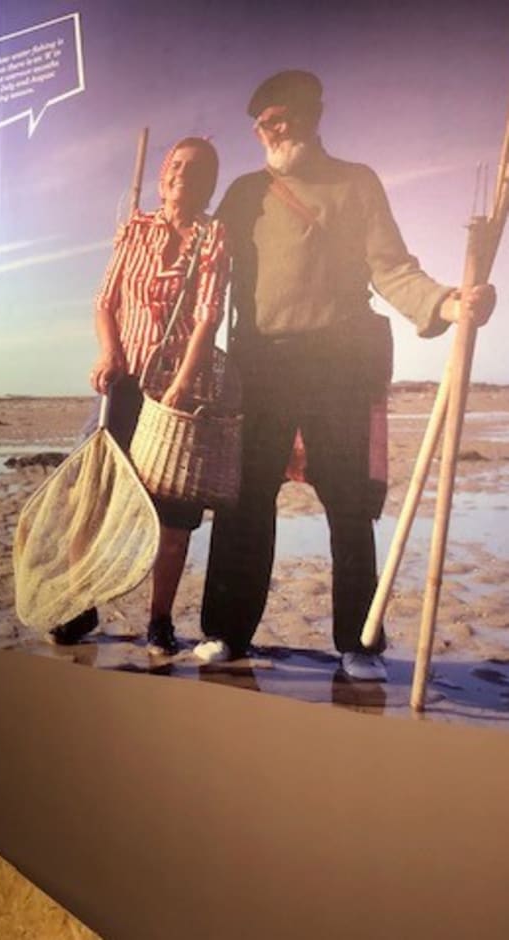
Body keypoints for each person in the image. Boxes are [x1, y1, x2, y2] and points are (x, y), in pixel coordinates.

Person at [193, 70, 496, 681]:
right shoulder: (246, 192)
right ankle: (228, 632)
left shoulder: (356, 184)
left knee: (350, 505)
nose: (267, 131)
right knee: (245, 502)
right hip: (262, 363)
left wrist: (446, 303)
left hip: (339, 362)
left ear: (311, 116)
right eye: (260, 124)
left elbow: (393, 268)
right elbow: (205, 269)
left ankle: (358, 641)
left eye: (278, 119)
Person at [49, 137, 228, 655]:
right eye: (175, 165)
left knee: (174, 514)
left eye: (196, 169)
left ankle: (160, 622)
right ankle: (80, 601)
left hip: (178, 391)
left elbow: (206, 318)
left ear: (210, 182)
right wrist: (109, 354)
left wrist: (179, 384)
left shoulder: (214, 236)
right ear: (161, 176)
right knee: (91, 494)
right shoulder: (135, 229)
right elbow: (105, 301)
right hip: (122, 386)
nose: (182, 175)